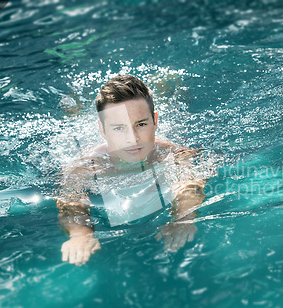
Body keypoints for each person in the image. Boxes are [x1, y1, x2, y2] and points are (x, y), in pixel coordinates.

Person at [56, 74, 207, 266]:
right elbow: (70, 200)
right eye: (119, 128)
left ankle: (166, 83)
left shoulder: (171, 153)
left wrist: (183, 219)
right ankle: (74, 108)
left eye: (141, 124)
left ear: (155, 121)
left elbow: (190, 183)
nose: (132, 138)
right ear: (103, 130)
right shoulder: (86, 167)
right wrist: (80, 234)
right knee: (72, 114)